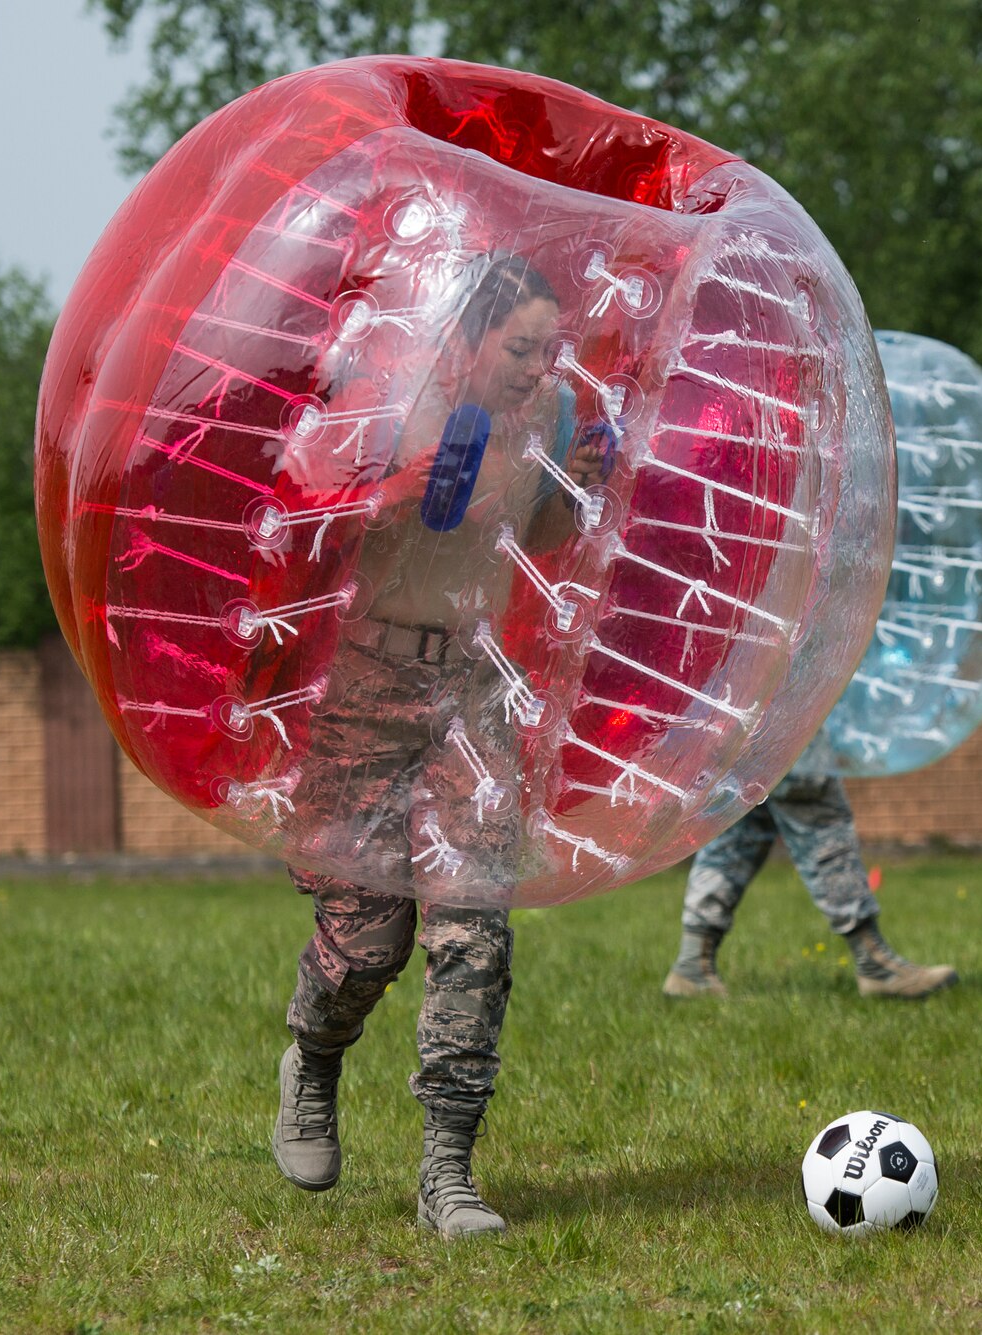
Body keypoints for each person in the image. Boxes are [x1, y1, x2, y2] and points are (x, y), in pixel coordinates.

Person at [270, 255, 606, 1240]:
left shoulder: (544, 420)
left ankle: (447, 1177)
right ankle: (315, 1059)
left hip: (474, 690)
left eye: (547, 350)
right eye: (517, 348)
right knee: (366, 943)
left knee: (472, 934)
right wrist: (399, 490)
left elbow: (520, 534)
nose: (535, 368)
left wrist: (569, 490)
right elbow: (304, 526)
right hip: (369, 688)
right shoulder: (388, 406)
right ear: (462, 341)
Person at [663, 752, 958, 1000]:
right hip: (779, 699)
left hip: (745, 705)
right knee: (811, 798)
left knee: (744, 819)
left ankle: (692, 964)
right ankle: (874, 961)